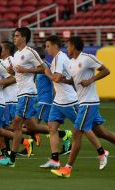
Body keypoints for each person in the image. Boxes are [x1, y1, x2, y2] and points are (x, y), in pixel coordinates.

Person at [51, 36, 115, 177]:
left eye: (68, 46)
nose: (66, 49)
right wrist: (66, 81)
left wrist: (91, 80)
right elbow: (75, 81)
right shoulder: (72, 63)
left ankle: (69, 168)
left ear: (73, 46)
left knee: (77, 133)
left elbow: (106, 70)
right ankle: (101, 153)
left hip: (89, 102)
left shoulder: (87, 58)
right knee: (101, 132)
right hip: (83, 102)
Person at [0, 27, 49, 167]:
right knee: (32, 127)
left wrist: (26, 70)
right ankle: (61, 134)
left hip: (28, 92)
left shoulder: (30, 52)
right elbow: (18, 74)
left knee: (17, 123)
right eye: (14, 35)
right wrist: (12, 71)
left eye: (17, 36)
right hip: (20, 93)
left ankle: (11, 159)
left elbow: (43, 68)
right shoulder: (17, 54)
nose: (14, 38)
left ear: (24, 38)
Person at [18, 46, 72, 156]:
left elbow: (53, 82)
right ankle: (64, 136)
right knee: (49, 127)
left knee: (32, 126)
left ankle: (29, 148)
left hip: (45, 101)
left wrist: (55, 98)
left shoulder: (46, 66)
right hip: (41, 100)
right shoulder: (38, 67)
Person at [39, 35, 79, 169]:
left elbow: (55, 78)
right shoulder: (57, 58)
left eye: (48, 45)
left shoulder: (60, 58)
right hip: (59, 101)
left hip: (69, 100)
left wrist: (47, 72)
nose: (46, 48)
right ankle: (55, 160)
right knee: (52, 127)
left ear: (56, 45)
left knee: (88, 128)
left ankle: (101, 151)